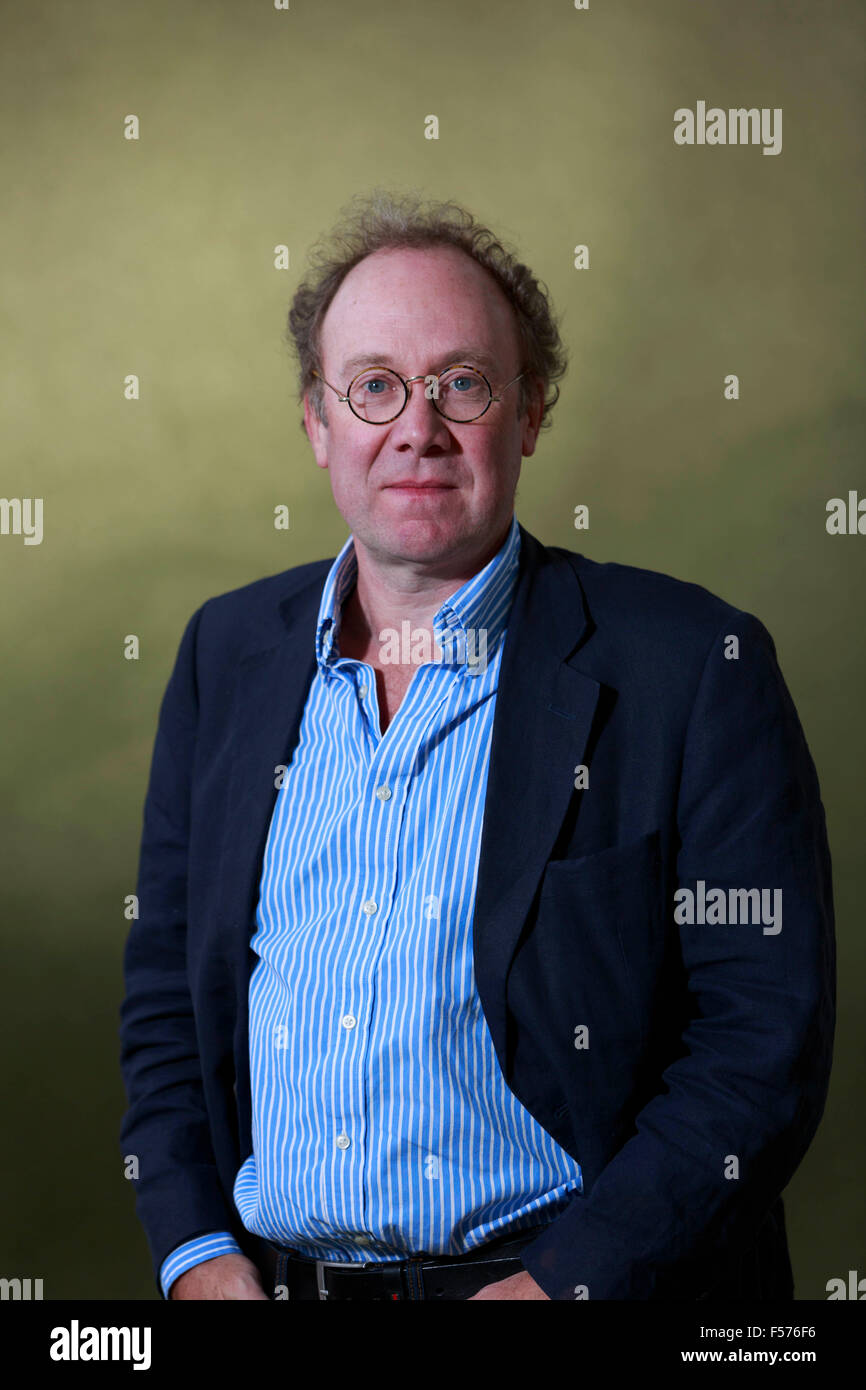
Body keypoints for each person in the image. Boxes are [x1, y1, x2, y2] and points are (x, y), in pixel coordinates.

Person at [119, 190, 835, 1301]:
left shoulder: (693, 670)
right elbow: (169, 994)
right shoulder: (227, 655)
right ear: (316, 423)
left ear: (530, 412)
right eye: (374, 387)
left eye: (462, 382)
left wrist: (567, 1286)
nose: (416, 427)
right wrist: (193, 1252)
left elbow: (759, 1046)